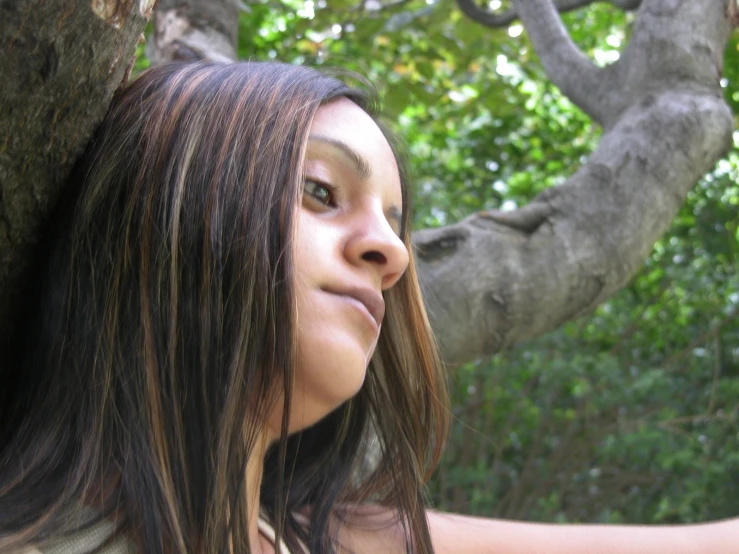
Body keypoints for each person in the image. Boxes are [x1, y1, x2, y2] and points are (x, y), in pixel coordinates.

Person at [0, 61, 736, 554]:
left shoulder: (331, 533)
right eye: (320, 191)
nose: (393, 253)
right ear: (166, 219)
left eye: (393, 221)